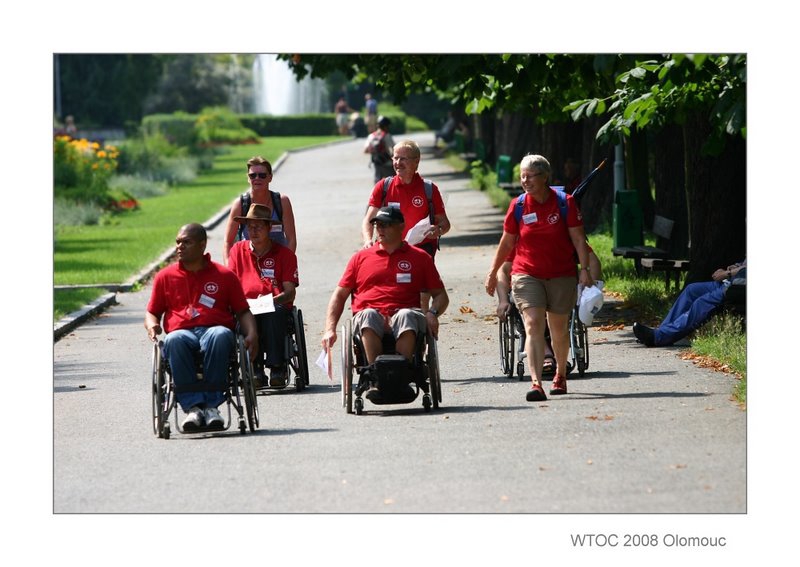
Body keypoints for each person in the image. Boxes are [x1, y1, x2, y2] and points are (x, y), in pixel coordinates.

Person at [485, 154, 593, 402]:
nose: (525, 180)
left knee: (558, 330)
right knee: (533, 324)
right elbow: (507, 242)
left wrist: (584, 269)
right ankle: (536, 383)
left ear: (545, 177)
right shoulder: (519, 206)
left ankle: (560, 374)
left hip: (561, 274)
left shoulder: (565, 203)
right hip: (527, 273)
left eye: (530, 175)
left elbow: (578, 239)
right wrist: (493, 271)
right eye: (522, 175)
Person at [322, 207, 449, 401]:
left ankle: (401, 377)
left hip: (405, 315)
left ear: (401, 227)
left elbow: (441, 295)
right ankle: (377, 378)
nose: (380, 229)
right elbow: (339, 295)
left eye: (386, 225)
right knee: (368, 314)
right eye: (377, 225)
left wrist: (432, 312)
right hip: (371, 319)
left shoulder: (419, 257)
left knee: (406, 315)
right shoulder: (360, 258)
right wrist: (330, 329)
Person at [145, 223, 258, 431]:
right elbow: (152, 311)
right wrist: (152, 325)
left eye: (186, 242)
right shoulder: (165, 277)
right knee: (173, 340)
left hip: (213, 330)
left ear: (202, 244)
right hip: (182, 332)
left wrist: (252, 333)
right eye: (178, 242)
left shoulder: (224, 276)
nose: (180, 247)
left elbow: (243, 311)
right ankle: (193, 408)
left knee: (221, 334)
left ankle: (212, 406)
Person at [227, 203, 300, 388]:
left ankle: (277, 367)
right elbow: (230, 285)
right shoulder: (237, 251)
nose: (253, 231)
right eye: (250, 226)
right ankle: (255, 369)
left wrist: (269, 301)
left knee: (272, 311)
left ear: (269, 228)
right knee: (246, 315)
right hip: (246, 306)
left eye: (258, 226)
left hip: (275, 303)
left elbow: (290, 292)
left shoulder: (285, 254)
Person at [633, 260, 746, 347]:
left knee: (702, 303)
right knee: (691, 290)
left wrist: (728, 273)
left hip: (740, 286)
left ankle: (658, 337)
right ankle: (662, 332)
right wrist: (737, 265)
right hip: (733, 281)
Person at [222, 156, 296, 265]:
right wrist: (229, 268)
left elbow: (291, 239)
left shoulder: (282, 202)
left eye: (262, 175)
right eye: (252, 175)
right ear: (248, 178)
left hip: (277, 261)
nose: (257, 178)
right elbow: (228, 242)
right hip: (248, 264)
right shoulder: (240, 204)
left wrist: (285, 265)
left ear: (270, 177)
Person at [363, 115, 395, 182]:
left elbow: (365, 150)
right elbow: (394, 150)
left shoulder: (371, 136)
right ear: (386, 126)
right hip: (387, 163)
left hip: (376, 163)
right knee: (393, 182)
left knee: (378, 184)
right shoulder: (387, 135)